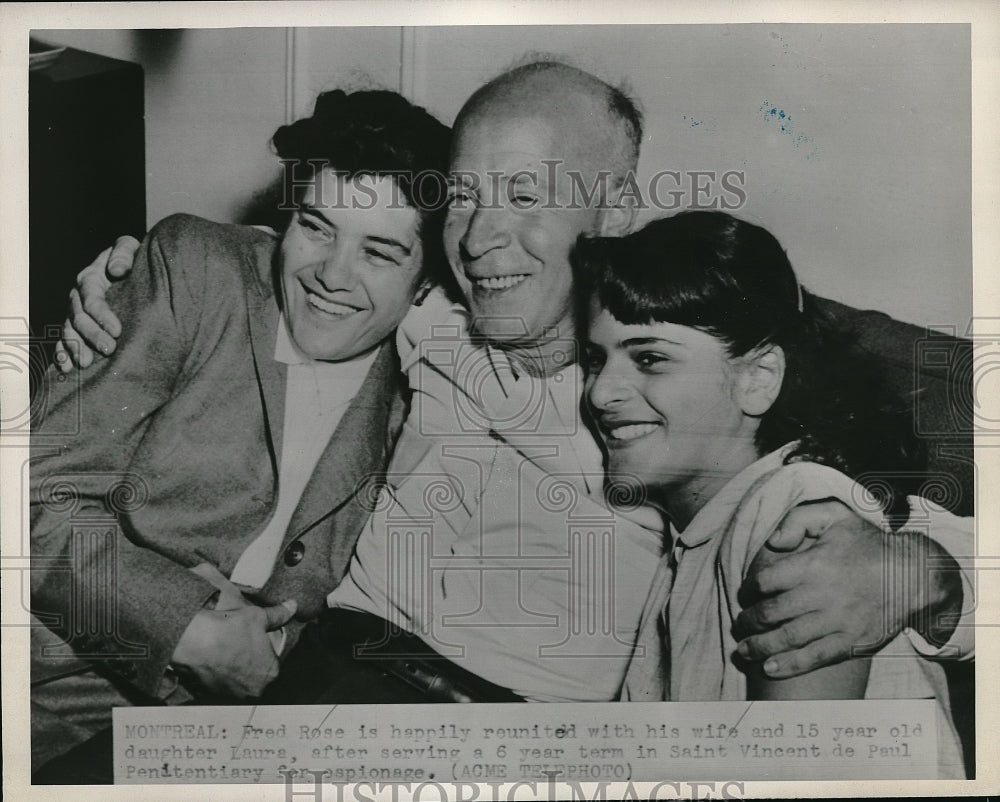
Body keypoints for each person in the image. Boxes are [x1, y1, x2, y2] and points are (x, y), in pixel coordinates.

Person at [57, 61, 972, 698]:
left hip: (513, 741)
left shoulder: (676, 374)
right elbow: (310, 261)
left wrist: (925, 574)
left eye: (527, 197)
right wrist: (125, 277)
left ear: (615, 206)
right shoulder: (424, 308)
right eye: (464, 196)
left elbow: (882, 453)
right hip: (311, 684)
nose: (482, 237)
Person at [30, 88, 450, 767]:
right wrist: (189, 633)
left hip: (239, 741)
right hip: (49, 694)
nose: (331, 277)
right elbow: (29, 501)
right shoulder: (196, 273)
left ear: (428, 284)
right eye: (316, 227)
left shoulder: (428, 387)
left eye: (379, 252)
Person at [576, 210, 967, 777]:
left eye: (650, 358)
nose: (602, 392)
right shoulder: (698, 539)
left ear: (758, 378)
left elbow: (797, 782)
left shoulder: (794, 515)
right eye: (595, 360)